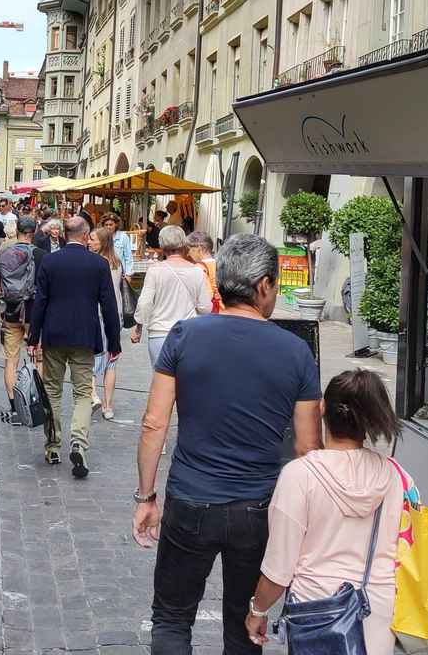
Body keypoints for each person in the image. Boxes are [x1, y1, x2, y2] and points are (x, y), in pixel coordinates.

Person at [132, 233, 324, 654]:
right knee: (245, 624)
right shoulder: (296, 353)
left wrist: (147, 495)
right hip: (257, 508)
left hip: (190, 499)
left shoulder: (185, 335)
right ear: (264, 286)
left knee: (171, 619)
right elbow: (309, 450)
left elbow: (154, 423)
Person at [246, 370, 404, 654]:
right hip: (377, 611)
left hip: (316, 611)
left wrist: (257, 609)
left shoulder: (299, 476)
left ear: (322, 409)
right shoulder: (395, 476)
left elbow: (279, 568)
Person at [28, 216, 120, 478]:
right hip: (84, 336)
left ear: (64, 234)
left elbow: (40, 302)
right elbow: (109, 306)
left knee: (52, 391)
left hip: (54, 335)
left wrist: (34, 337)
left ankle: (53, 446)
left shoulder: (49, 261)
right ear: (85, 234)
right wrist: (114, 342)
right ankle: (78, 442)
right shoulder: (98, 264)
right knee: (82, 394)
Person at [132, 226, 214, 367]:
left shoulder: (155, 270)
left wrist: (138, 328)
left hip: (159, 334)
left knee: (161, 381)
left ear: (162, 244)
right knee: (184, 382)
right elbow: (206, 308)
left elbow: (145, 303)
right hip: (188, 333)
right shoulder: (197, 271)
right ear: (183, 243)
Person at [0, 215, 43, 415]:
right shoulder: (41, 255)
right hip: (34, 313)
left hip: (11, 312)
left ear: (19, 230)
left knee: (11, 360)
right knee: (39, 359)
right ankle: (37, 403)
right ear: (34, 232)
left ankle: (15, 406)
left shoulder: (5, 252)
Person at [88, 227, 123, 421]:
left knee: (93, 356)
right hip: (115, 316)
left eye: (93, 239)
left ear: (102, 242)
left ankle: (93, 396)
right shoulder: (117, 262)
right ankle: (108, 406)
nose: (89, 242)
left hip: (99, 314)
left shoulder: (97, 264)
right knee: (112, 361)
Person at [186, 231, 222, 313]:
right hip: (223, 310)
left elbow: (207, 296)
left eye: (189, 249)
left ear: (199, 248)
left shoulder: (199, 268)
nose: (188, 254)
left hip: (210, 314)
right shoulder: (219, 264)